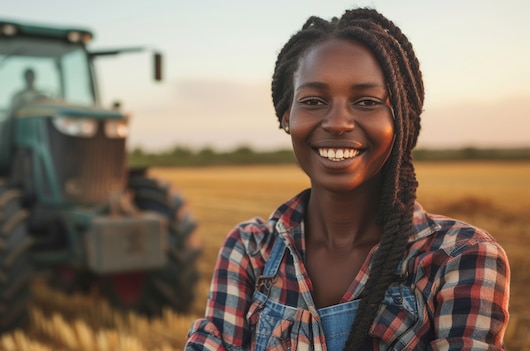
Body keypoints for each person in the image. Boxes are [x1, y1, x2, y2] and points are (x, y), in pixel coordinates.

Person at [185, 7, 510, 351]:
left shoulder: (457, 258)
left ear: (401, 119)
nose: (338, 122)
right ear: (286, 118)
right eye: (313, 100)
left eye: (367, 102)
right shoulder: (250, 251)